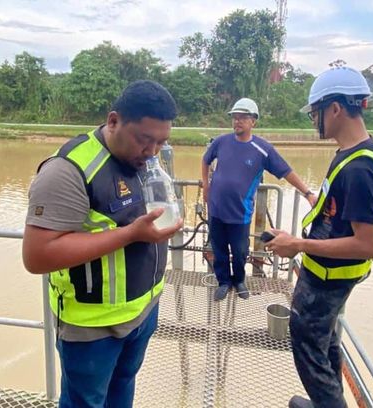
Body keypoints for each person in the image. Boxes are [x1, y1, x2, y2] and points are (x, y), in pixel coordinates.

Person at [22, 80, 183, 408]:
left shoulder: (145, 161)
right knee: (86, 402)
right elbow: (37, 256)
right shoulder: (68, 170)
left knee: (122, 389)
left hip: (143, 311)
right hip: (93, 327)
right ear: (113, 121)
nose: (152, 152)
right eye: (144, 139)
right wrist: (131, 234)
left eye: (161, 142)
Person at [265, 67, 373, 408]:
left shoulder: (361, 169)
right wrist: (295, 240)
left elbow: (368, 245)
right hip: (324, 273)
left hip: (329, 281)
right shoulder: (349, 154)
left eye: (315, 113)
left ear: (335, 109)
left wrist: (298, 245)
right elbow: (336, 219)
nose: (313, 121)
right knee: (326, 346)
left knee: (310, 351)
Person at [202, 97, 316, 301]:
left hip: (240, 213)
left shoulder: (263, 149)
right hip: (216, 209)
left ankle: (239, 280)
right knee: (219, 249)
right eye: (235, 117)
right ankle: (223, 282)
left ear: (253, 121)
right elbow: (205, 160)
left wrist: (307, 193)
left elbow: (287, 172)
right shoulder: (221, 142)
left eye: (242, 117)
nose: (237, 121)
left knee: (239, 251)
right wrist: (206, 185)